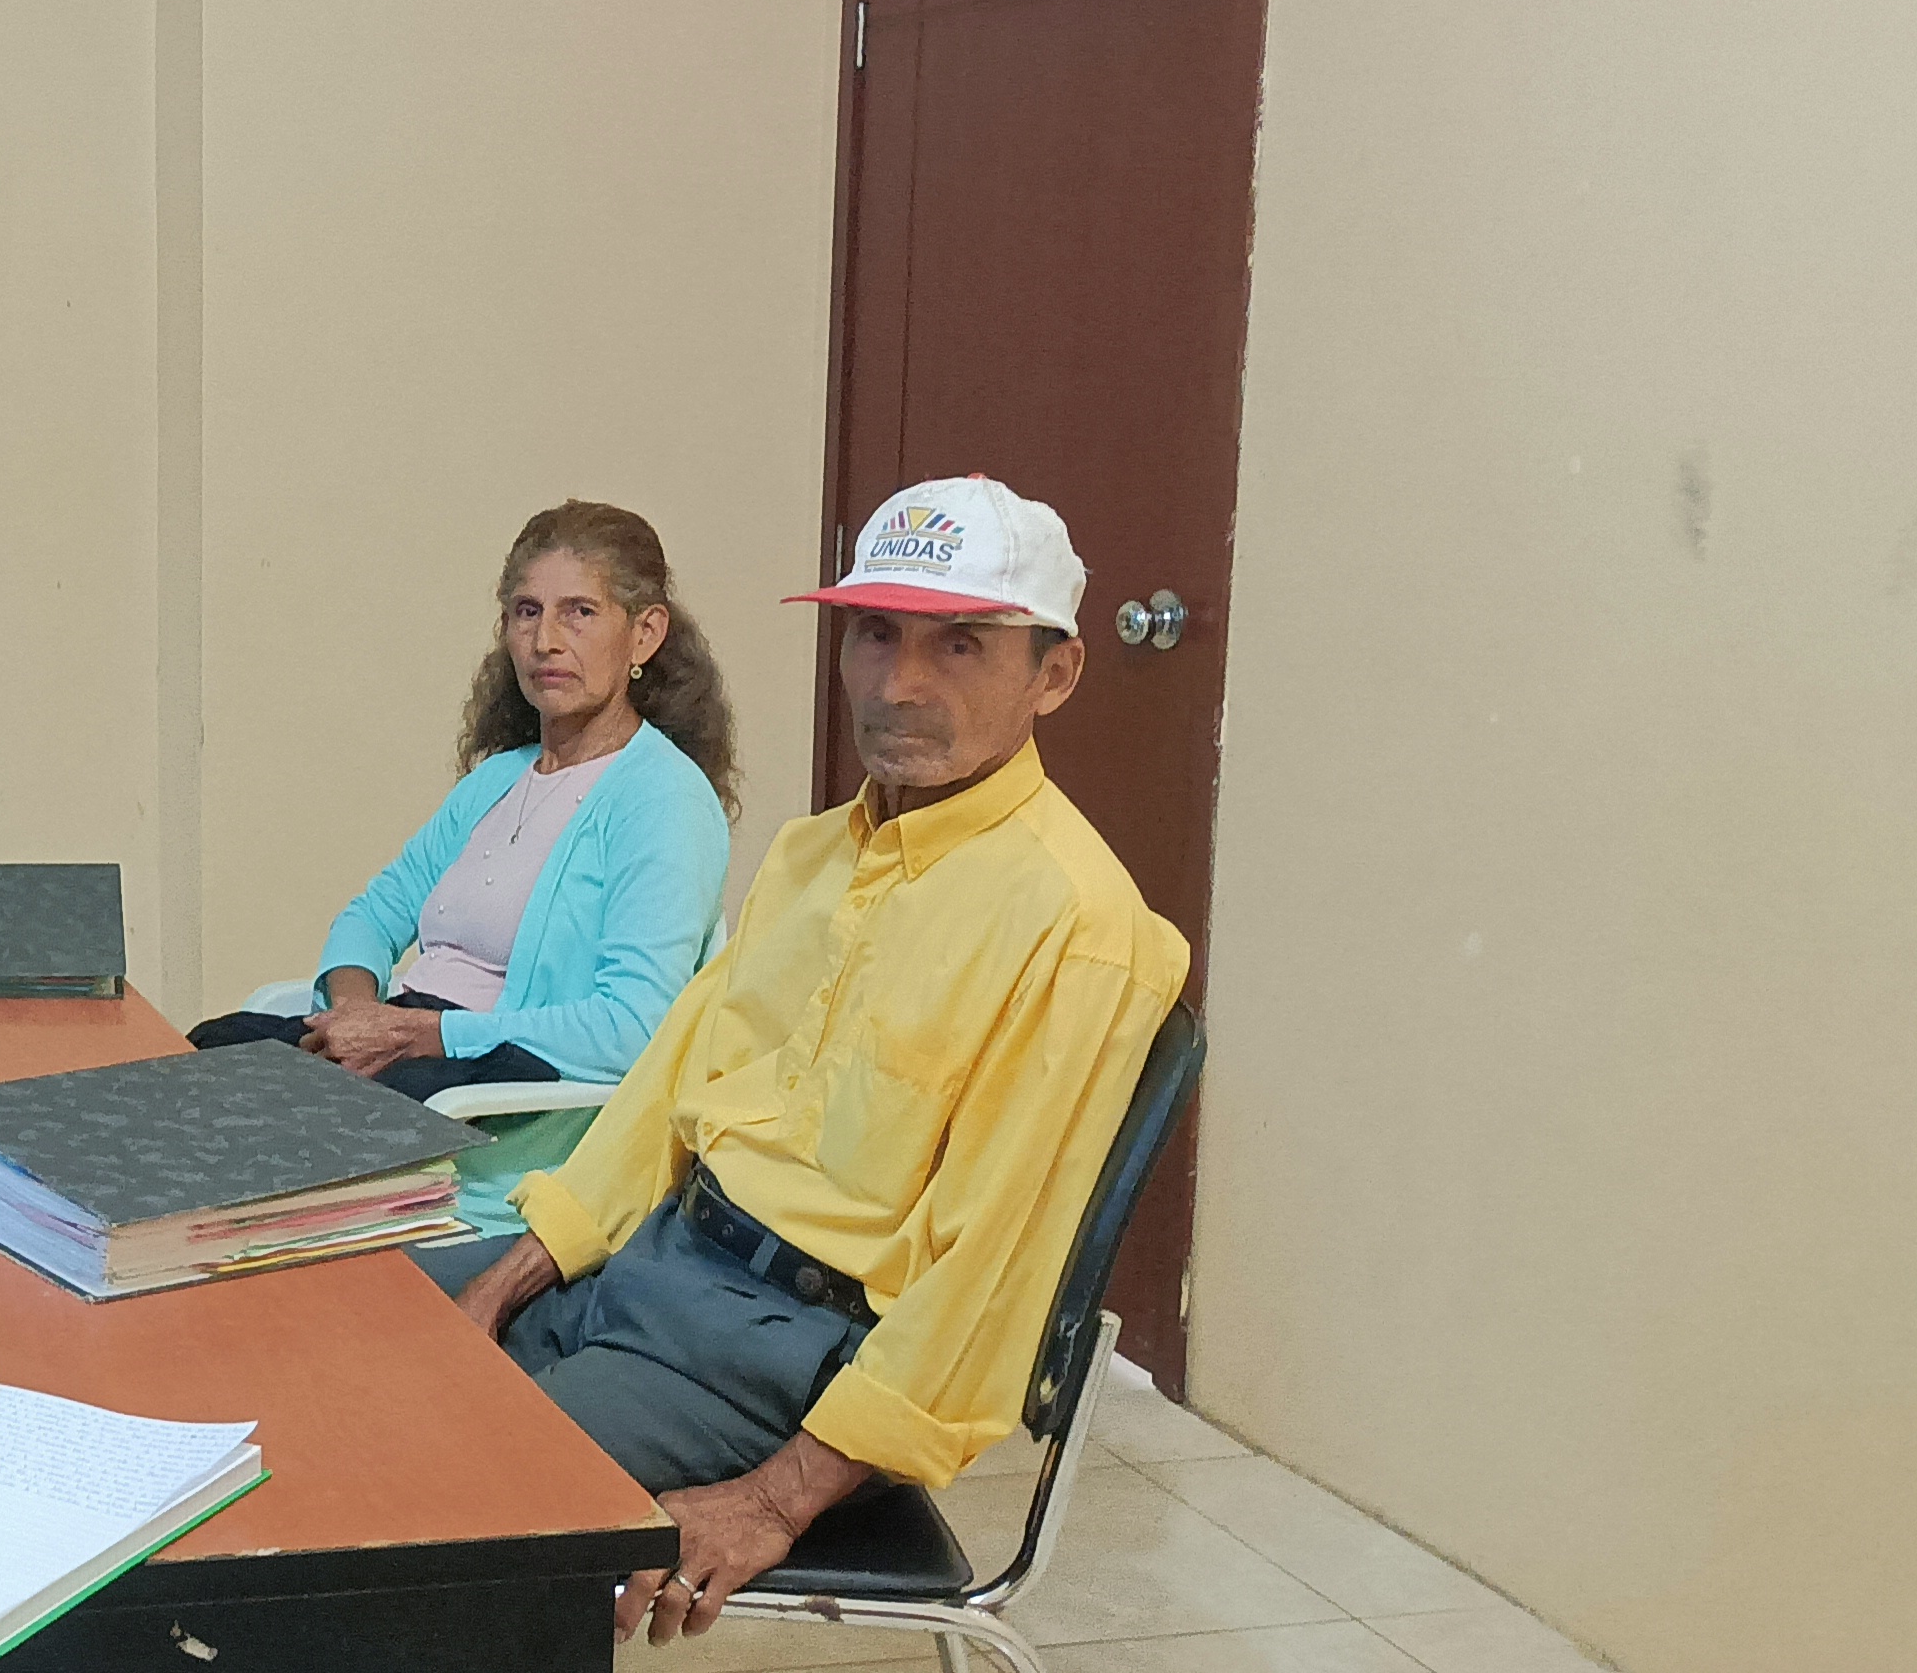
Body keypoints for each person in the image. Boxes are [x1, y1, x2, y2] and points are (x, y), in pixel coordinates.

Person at [429, 477, 1189, 1651]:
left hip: (779, 1351)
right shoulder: (813, 854)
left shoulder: (1078, 931)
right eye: (874, 634)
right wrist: (513, 1272)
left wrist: (776, 1500)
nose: (898, 683)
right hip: (653, 1256)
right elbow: (662, 1097)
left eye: (958, 644)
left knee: (440, 1518)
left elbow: (993, 1271)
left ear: (1055, 674)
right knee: (343, 1349)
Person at [183, 502, 736, 1234]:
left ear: (645, 633)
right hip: (404, 1040)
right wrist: (354, 1015)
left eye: (579, 613)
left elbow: (633, 1028)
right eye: (527, 611)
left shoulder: (664, 801)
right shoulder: (498, 779)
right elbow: (373, 915)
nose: (546, 640)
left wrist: (420, 1035)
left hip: (496, 1096)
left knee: (229, 1142)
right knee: (196, 1059)